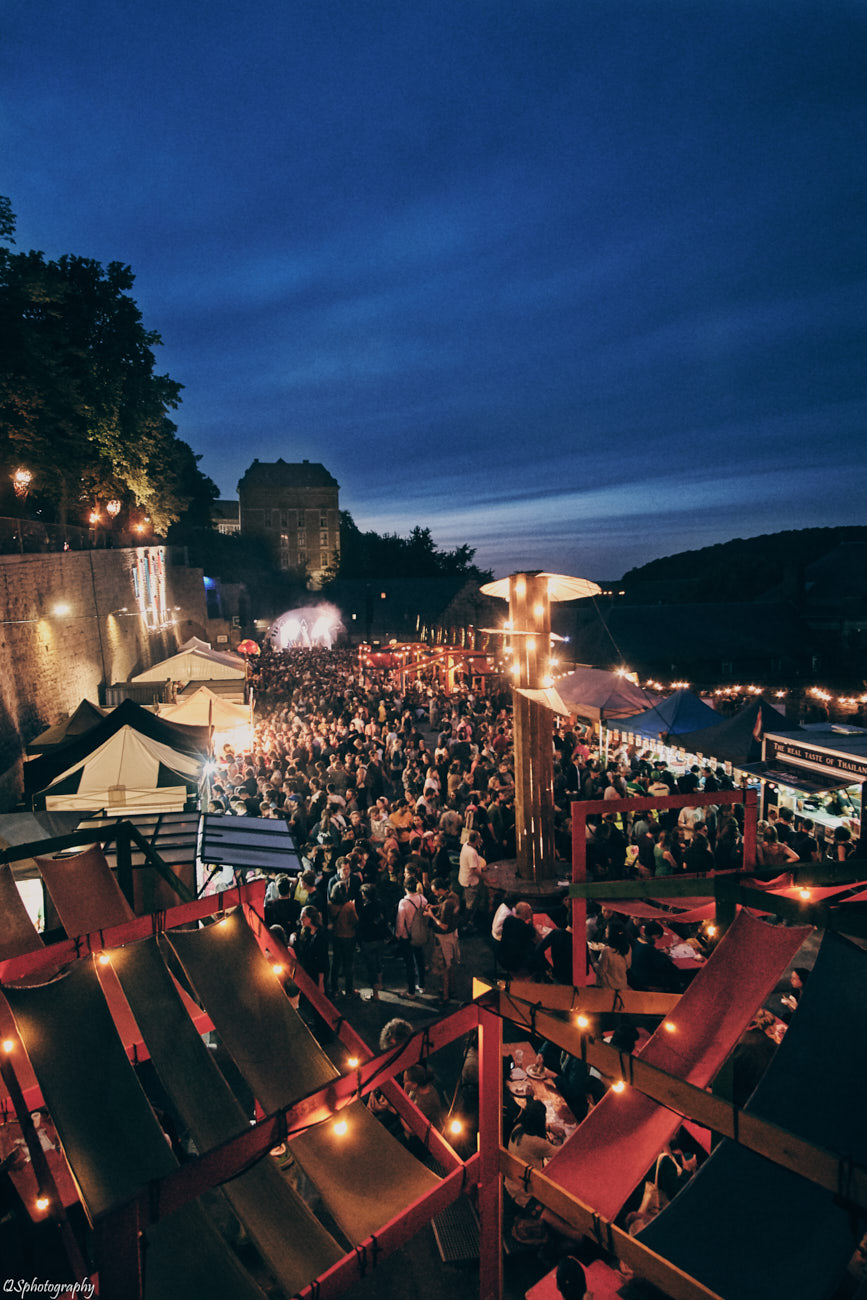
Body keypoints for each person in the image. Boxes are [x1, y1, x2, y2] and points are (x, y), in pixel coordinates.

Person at [427, 876, 461, 1003]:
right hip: (452, 936)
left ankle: (445, 995)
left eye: (435, 891)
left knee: (444, 968)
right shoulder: (454, 896)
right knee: (450, 965)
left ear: (441, 889)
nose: (435, 893)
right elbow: (447, 908)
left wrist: (431, 915)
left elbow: (443, 925)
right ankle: (452, 989)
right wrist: (436, 907)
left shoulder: (447, 904)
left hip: (443, 938)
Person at [395, 876, 428, 997]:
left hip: (407, 937)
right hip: (419, 934)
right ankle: (422, 985)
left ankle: (411, 991)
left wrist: (398, 935)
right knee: (420, 960)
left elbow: (400, 922)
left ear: (405, 888)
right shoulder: (423, 899)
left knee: (409, 964)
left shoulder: (404, 903)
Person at [458, 829, 486, 928]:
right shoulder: (471, 852)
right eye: (479, 838)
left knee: (468, 901)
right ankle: (465, 925)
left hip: (464, 879)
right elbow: (475, 870)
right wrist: (486, 878)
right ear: (476, 840)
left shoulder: (466, 845)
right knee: (470, 905)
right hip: (470, 882)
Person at [595, 921, 631, 990]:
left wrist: (593, 960)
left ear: (612, 933)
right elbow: (628, 966)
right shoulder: (628, 948)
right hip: (622, 986)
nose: (605, 929)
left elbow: (601, 972)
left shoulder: (606, 951)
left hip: (608, 988)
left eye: (607, 929)